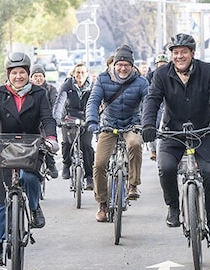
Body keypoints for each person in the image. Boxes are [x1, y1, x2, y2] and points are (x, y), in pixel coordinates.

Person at [141, 33, 210, 246]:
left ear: (192, 53)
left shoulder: (207, 70)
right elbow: (153, 99)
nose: (179, 56)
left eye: (184, 52)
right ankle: (173, 206)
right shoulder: (161, 74)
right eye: (175, 53)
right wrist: (148, 125)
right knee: (166, 168)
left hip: (203, 131)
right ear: (171, 55)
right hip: (172, 132)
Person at [0, 52, 58, 266]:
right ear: (8, 74)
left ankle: (34, 207)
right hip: (5, 148)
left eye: (22, 72)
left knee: (30, 180)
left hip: (31, 147)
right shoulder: (0, 93)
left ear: (28, 74)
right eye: (14, 73)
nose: (18, 76)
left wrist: (51, 138)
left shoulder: (38, 94)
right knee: (0, 198)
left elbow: (47, 118)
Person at [85, 44, 148, 222]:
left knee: (135, 144)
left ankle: (133, 185)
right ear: (114, 64)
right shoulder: (103, 79)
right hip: (108, 125)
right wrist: (92, 121)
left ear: (132, 66)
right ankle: (102, 203)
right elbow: (93, 101)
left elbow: (150, 104)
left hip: (131, 124)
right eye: (119, 64)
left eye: (126, 64)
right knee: (99, 164)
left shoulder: (141, 82)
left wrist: (149, 124)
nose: (122, 68)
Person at [53, 62, 95, 189]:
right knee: (67, 143)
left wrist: (95, 119)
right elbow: (60, 102)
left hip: (86, 118)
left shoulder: (93, 87)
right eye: (78, 72)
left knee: (86, 145)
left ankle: (89, 176)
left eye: (83, 72)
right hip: (69, 117)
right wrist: (57, 118)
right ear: (73, 74)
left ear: (87, 74)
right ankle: (66, 164)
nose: (80, 75)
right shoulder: (67, 85)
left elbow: (96, 104)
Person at [30, 64, 59, 179]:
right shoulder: (28, 89)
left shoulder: (51, 89)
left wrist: (52, 118)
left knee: (47, 143)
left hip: (45, 122)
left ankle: (51, 164)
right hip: (31, 123)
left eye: (40, 76)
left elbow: (55, 105)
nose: (38, 78)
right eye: (35, 76)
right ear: (31, 78)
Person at [145, 53, 170, 161]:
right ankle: (153, 150)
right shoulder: (150, 76)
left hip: (167, 102)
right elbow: (146, 92)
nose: (162, 67)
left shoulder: (171, 74)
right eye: (160, 65)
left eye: (164, 65)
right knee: (152, 125)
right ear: (156, 65)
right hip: (156, 102)